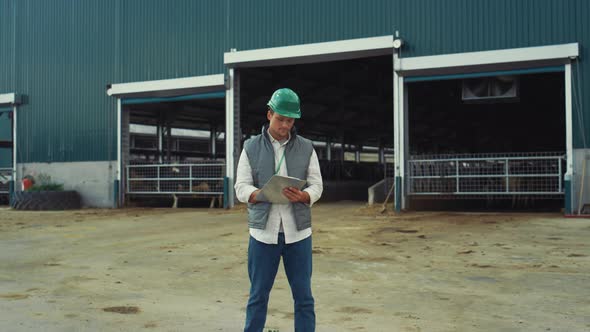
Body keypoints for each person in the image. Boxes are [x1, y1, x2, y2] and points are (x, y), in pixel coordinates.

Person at [234, 88, 323, 332]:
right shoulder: (250, 147)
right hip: (263, 235)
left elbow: (317, 184)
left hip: (298, 235)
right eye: (280, 119)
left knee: (304, 298)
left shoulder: (306, 148)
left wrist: (305, 196)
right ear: (269, 114)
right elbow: (240, 186)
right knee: (258, 296)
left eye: (290, 120)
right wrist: (259, 195)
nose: (285, 125)